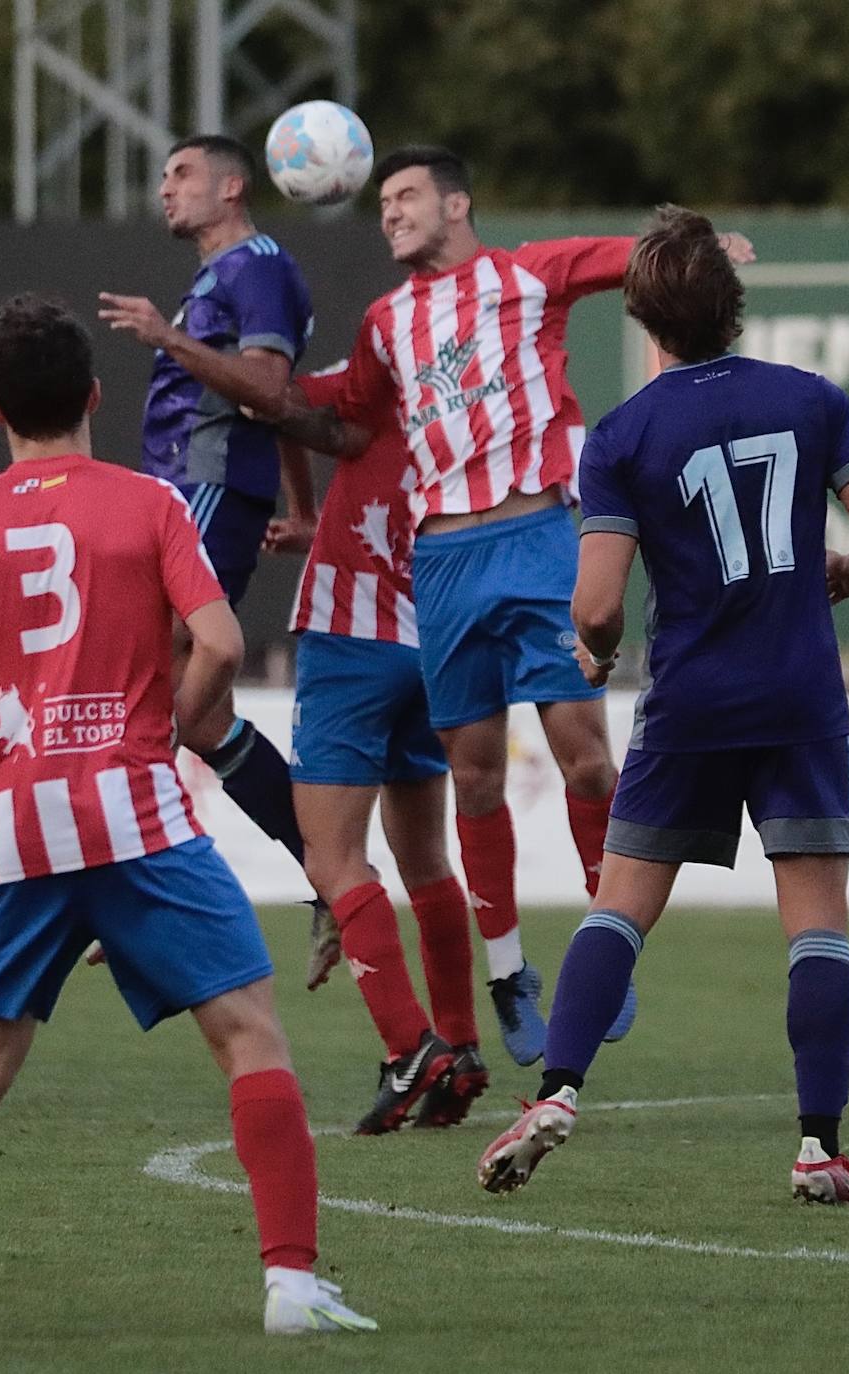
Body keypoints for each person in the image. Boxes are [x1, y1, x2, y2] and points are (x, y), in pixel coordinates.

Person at [0, 295, 376, 1338]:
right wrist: (158, 734)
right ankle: (294, 1287)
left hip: (16, 826)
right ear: (92, 395)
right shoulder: (148, 504)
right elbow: (216, 640)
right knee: (250, 1038)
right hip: (133, 814)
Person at [260, 149, 753, 1063]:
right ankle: (507, 974)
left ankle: (610, 954)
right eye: (383, 203)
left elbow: (633, 259)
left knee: (586, 760)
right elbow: (346, 416)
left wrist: (705, 251)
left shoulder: (528, 275)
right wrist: (248, 385)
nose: (390, 214)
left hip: (537, 542)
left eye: (406, 197)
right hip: (440, 559)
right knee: (475, 774)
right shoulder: (384, 322)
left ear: (458, 203)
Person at [476, 205, 849, 1202]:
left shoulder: (624, 434)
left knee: (620, 906)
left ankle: (557, 1090)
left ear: (645, 323)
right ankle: (818, 1148)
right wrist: (843, 570)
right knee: (815, 924)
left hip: (691, 702)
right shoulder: (811, 398)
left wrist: (593, 653)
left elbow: (594, 604)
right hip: (798, 695)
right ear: (735, 311)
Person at [97, 135, 340, 990]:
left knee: (154, 672)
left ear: (233, 186)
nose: (165, 188)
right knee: (199, 719)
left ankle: (138, 882)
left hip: (202, 495)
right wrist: (303, 509)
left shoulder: (257, 266)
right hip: (184, 496)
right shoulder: (220, 276)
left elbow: (269, 387)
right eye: (163, 175)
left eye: (182, 173)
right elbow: (272, 403)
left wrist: (166, 337)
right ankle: (330, 872)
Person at [267, 361, 485, 1134]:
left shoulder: (360, 382)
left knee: (333, 859)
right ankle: (458, 1047)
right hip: (433, 648)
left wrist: (304, 505)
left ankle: (408, 1049)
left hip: (351, 644)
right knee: (427, 863)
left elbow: (274, 397)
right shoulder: (470, 411)